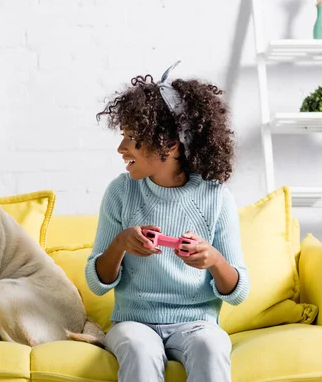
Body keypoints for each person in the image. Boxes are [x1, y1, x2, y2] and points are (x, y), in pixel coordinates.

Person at [85, 61, 250, 382]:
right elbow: (97, 282)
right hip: (133, 322)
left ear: (170, 145)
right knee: (137, 348)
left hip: (198, 322)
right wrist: (121, 243)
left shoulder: (215, 197)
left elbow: (237, 291)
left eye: (132, 138)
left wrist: (213, 260)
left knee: (211, 347)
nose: (121, 148)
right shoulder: (121, 191)